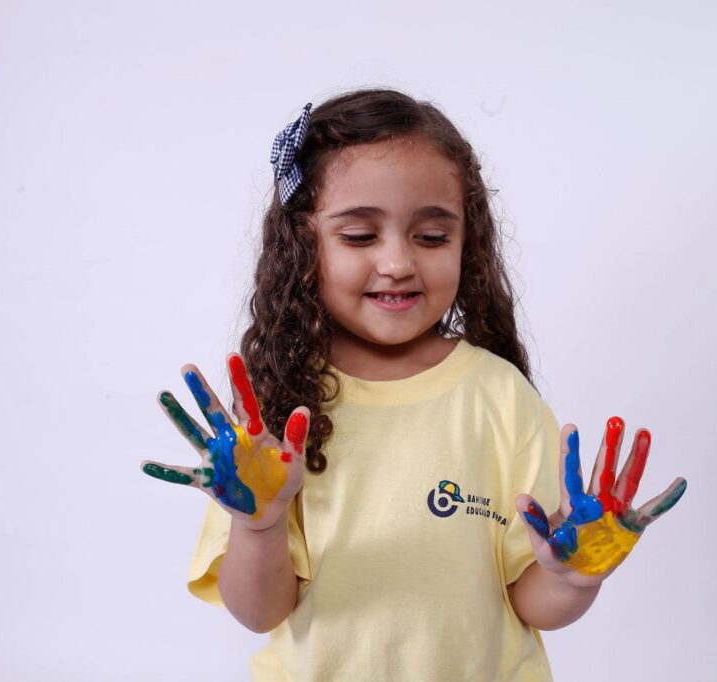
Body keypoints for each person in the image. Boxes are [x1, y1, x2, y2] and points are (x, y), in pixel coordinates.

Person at [140, 89, 687, 681]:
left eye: (431, 237)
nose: (399, 262)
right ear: (303, 244)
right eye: (359, 236)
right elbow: (261, 611)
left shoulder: (500, 397)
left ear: (466, 244)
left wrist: (569, 576)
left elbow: (531, 604)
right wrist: (260, 523)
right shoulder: (278, 414)